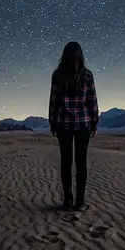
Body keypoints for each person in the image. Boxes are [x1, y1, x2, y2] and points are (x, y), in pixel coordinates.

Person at [49, 41, 99, 211]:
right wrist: (94, 122)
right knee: (81, 163)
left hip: (63, 124)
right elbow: (92, 101)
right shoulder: (87, 75)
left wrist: (52, 123)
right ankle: (80, 202)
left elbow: (53, 102)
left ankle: (67, 201)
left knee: (66, 162)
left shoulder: (57, 75)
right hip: (83, 124)